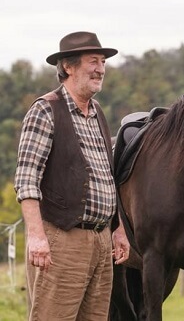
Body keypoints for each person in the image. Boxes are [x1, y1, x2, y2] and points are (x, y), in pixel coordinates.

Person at [14, 31, 130, 320]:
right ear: (68, 66)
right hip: (62, 240)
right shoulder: (46, 109)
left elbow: (108, 178)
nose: (101, 69)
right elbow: (26, 178)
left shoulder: (98, 113)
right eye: (93, 61)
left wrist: (119, 228)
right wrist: (37, 237)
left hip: (101, 241)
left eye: (103, 62)